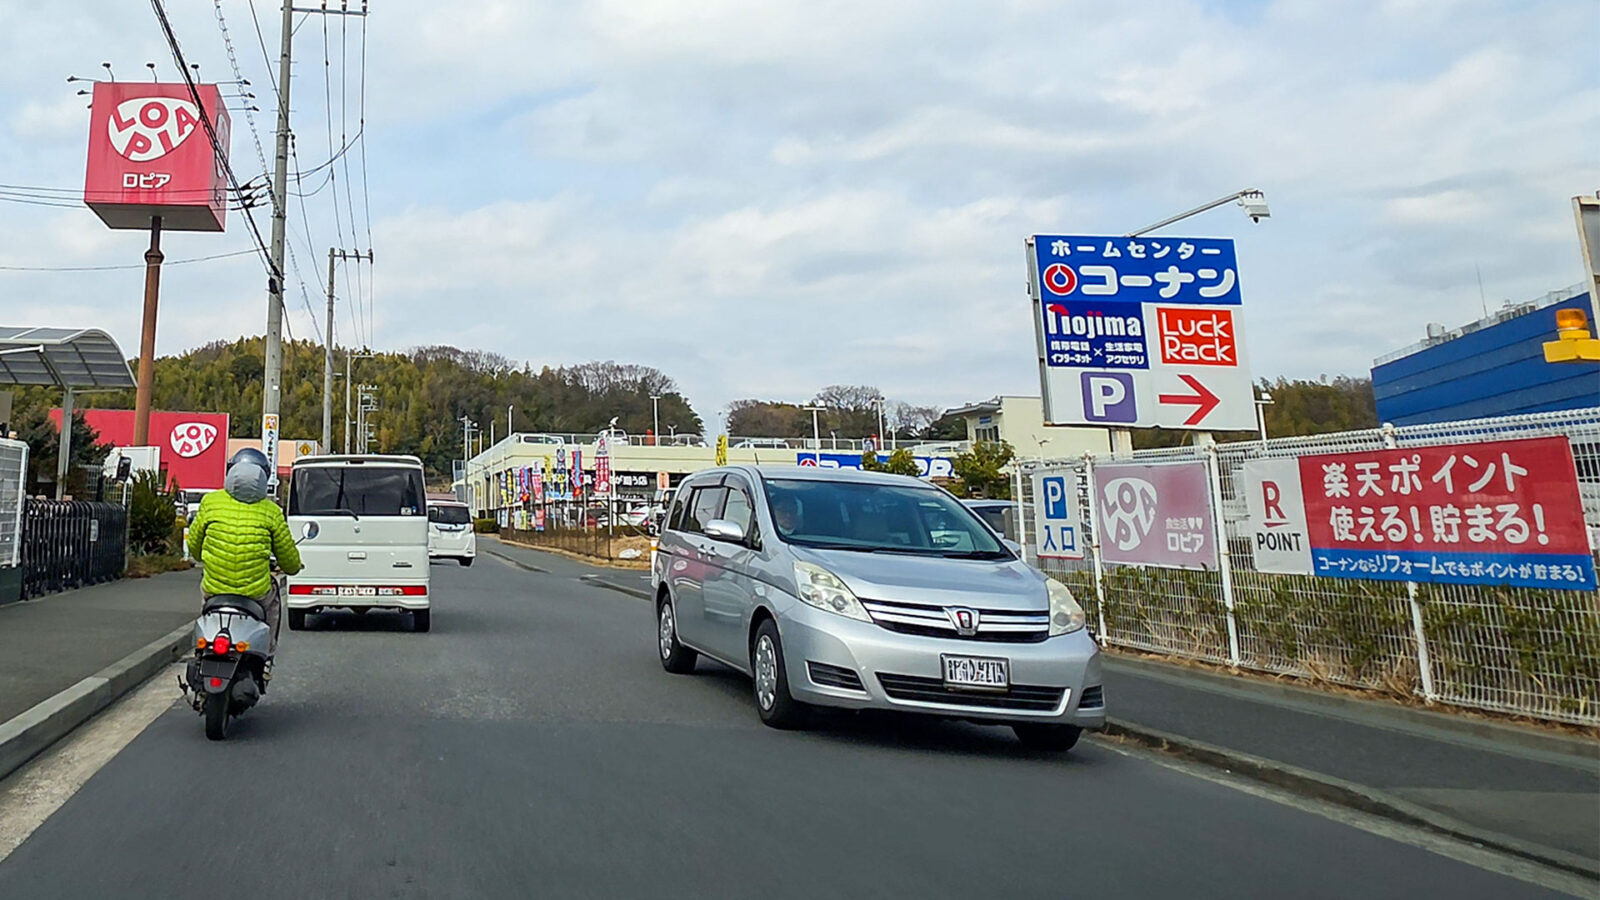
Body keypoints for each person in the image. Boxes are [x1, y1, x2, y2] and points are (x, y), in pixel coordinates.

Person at [186, 447, 303, 658]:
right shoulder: (271, 511)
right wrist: (293, 567)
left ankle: (202, 651)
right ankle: (266, 655)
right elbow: (289, 561)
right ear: (264, 477)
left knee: (206, 605)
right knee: (273, 601)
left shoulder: (210, 503)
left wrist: (204, 557)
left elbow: (194, 547)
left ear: (230, 472)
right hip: (255, 592)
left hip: (216, 588)